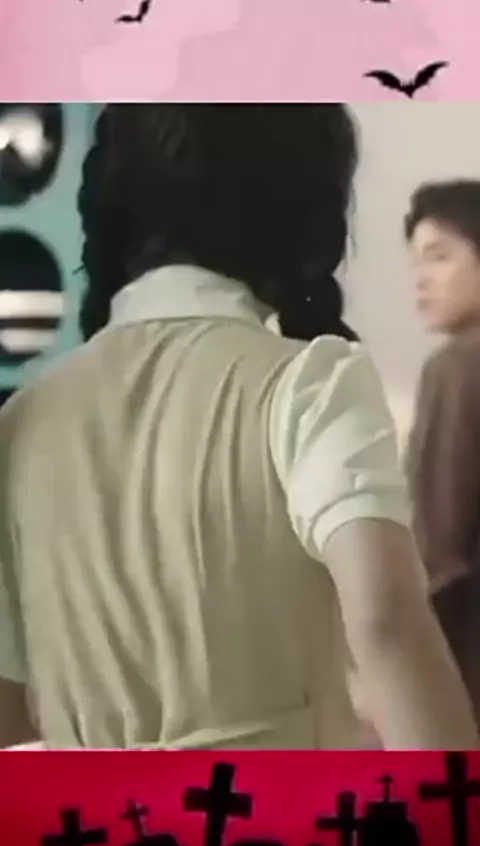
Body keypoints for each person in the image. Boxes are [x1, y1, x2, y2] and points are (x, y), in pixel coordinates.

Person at [0, 106, 476, 750]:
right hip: (277, 801)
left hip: (84, 806)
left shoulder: (22, 421)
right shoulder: (310, 382)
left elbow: (10, 708)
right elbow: (386, 622)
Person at [406, 179, 480, 727]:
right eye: (416, 262)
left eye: (440, 256)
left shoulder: (457, 368)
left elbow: (438, 549)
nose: (421, 278)